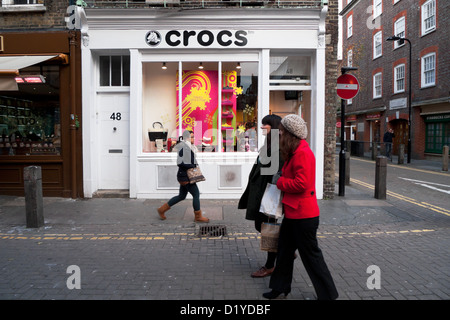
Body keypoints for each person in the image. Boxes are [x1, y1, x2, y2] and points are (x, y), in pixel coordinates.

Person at [263, 114, 338, 300]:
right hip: (294, 213)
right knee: (284, 253)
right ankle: (280, 288)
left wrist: (280, 182)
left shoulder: (303, 153)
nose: (279, 134)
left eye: (281, 131)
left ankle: (328, 294)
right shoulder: (296, 151)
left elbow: (301, 184)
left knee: (312, 257)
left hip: (304, 216)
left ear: (290, 134)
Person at [238, 114, 284, 278]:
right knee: (261, 226)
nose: (262, 127)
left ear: (275, 127)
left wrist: (261, 174)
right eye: (263, 124)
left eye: (266, 125)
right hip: (260, 190)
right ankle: (284, 246)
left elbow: (276, 170)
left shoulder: (279, 145)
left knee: (268, 229)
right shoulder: (269, 143)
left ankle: (270, 265)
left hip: (269, 192)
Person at [157, 130, 209, 223]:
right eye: (192, 137)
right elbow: (180, 162)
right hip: (186, 177)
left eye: (193, 136)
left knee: (181, 196)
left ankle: (162, 209)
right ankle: (198, 216)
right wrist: (192, 165)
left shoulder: (188, 147)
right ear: (187, 138)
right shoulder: (184, 148)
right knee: (196, 194)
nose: (194, 138)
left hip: (184, 176)